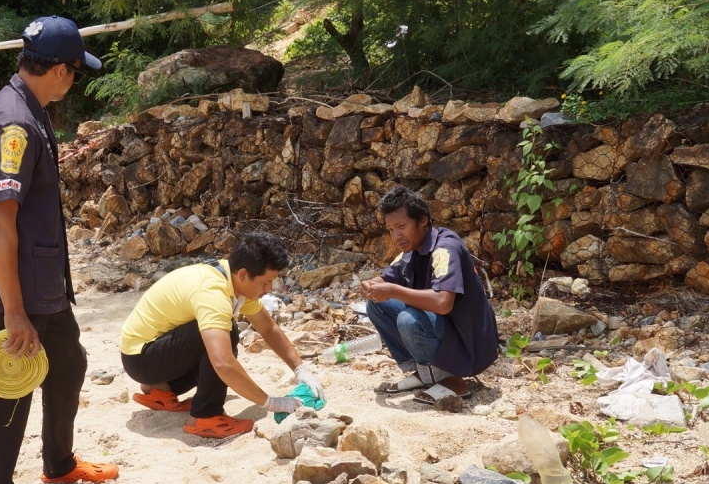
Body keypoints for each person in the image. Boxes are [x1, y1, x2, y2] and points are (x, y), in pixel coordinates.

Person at [0, 16, 117, 484]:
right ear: (62, 70)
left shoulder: (30, 109)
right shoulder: (15, 125)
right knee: (4, 391)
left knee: (68, 364)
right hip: (20, 288)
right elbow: (1, 223)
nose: (75, 82)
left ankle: (59, 463)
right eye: (75, 72)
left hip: (42, 281)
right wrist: (13, 311)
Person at [119, 232, 326, 438]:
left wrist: (300, 370)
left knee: (218, 334)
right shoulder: (212, 291)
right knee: (225, 333)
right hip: (142, 358)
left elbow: (268, 329)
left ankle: (162, 391)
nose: (269, 289)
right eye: (265, 283)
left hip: (148, 355)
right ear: (244, 274)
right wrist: (271, 402)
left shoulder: (233, 280)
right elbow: (223, 364)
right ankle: (205, 417)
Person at [360, 187, 498, 397]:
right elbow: (387, 277)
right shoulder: (412, 248)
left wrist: (394, 291)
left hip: (468, 339)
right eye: (391, 229)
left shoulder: (445, 247)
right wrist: (372, 285)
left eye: (402, 226)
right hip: (444, 329)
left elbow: (443, 303)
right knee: (377, 305)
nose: (396, 236)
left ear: (423, 220)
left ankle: (452, 380)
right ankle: (425, 373)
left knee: (409, 319)